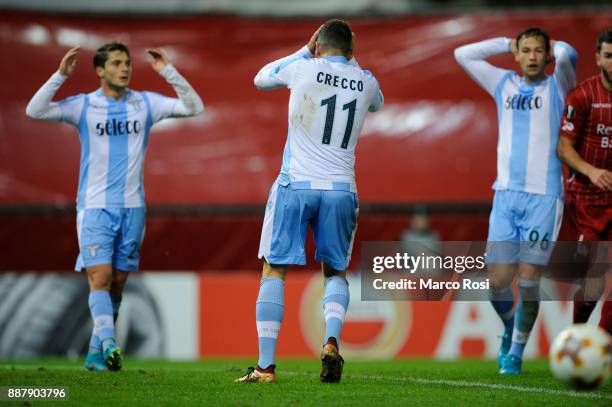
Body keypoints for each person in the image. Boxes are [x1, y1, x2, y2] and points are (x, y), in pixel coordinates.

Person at [25, 42, 204, 371]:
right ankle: (109, 342)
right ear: (100, 71)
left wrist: (169, 72)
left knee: (119, 282)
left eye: (127, 63)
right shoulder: (83, 107)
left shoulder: (145, 104)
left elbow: (194, 107)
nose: (125, 68)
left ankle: (95, 353)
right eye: (117, 63)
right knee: (100, 276)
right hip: (94, 208)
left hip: (133, 209)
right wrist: (60, 76)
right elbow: (34, 111)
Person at [235, 19, 383, 384]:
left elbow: (261, 77)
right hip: (341, 190)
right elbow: (376, 103)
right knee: (335, 272)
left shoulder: (302, 67)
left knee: (274, 269)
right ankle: (331, 341)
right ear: (352, 49)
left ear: (318, 45)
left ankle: (265, 368)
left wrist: (305, 49)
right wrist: (351, 63)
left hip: (296, 184)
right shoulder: (367, 81)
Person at [455, 28, 577, 375]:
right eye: (526, 51)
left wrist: (552, 47)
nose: (534, 56)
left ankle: (517, 351)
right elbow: (462, 55)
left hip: (544, 197)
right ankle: (509, 327)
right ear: (517, 55)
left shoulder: (558, 85)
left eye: (540, 51)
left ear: (547, 55)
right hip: (505, 196)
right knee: (496, 281)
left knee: (528, 281)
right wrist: (506, 44)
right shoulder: (502, 84)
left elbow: (568, 54)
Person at [557, 29, 612, 335]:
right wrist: (591, 171)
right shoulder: (582, 96)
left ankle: (601, 344)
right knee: (594, 279)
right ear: (598, 58)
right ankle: (577, 334)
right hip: (587, 202)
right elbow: (563, 148)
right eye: (609, 56)